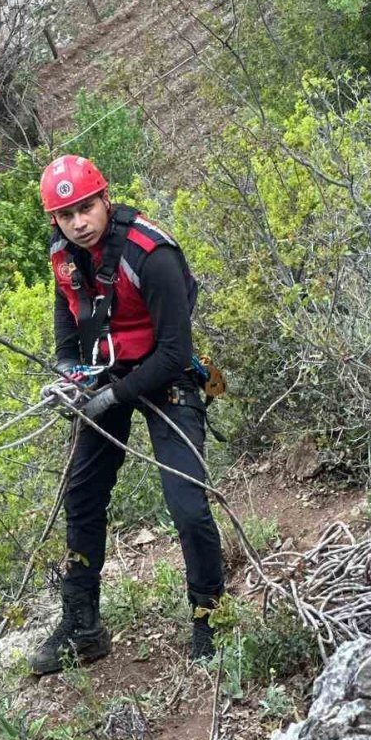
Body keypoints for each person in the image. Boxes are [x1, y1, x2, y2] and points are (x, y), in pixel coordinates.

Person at [28, 154, 225, 676]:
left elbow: (175, 353)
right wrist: (71, 377)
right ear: (56, 220)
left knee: (186, 503)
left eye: (86, 208)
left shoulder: (150, 253)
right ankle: (82, 626)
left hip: (164, 374)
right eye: (67, 214)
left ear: (104, 199)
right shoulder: (64, 257)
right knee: (82, 496)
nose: (79, 222)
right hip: (104, 373)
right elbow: (68, 330)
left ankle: (211, 617)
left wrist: (112, 398)